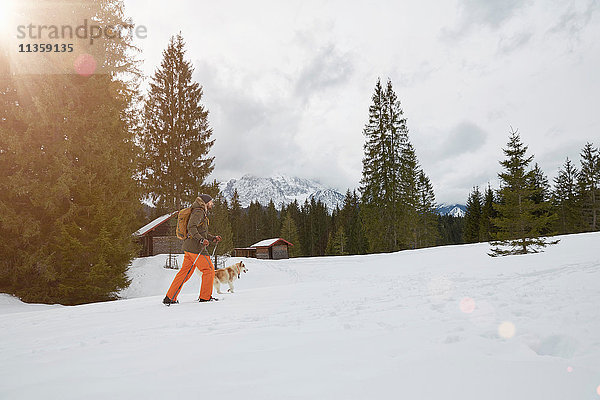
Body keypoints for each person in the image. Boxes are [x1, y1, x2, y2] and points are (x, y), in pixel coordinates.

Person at [163, 194, 222, 305]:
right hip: (196, 248)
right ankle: (205, 297)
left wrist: (212, 238)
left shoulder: (198, 211)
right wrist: (200, 240)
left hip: (189, 248)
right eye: (211, 202)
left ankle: (170, 297)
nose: (212, 204)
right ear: (205, 202)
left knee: (184, 273)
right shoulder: (199, 211)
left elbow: (201, 231)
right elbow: (191, 228)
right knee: (208, 270)